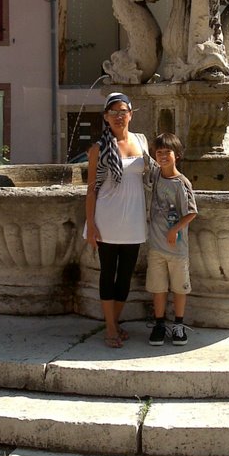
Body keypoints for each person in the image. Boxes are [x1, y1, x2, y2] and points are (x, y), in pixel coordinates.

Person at [85, 93, 149, 348]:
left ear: (131, 114)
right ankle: (110, 328)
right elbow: (91, 189)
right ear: (106, 117)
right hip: (108, 219)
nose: (119, 116)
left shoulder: (141, 141)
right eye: (114, 112)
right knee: (108, 273)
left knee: (125, 275)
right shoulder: (98, 149)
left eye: (123, 111)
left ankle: (114, 322)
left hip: (134, 219)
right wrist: (91, 224)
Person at [145, 133, 198, 346]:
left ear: (177, 155)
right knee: (158, 286)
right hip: (156, 246)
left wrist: (174, 229)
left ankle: (178, 324)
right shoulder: (156, 174)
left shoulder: (181, 183)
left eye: (168, 152)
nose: (163, 156)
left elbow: (192, 212)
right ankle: (159, 323)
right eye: (159, 153)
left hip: (177, 248)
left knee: (179, 287)